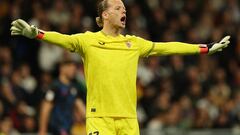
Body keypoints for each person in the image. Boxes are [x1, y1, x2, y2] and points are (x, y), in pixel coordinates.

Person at [10, 0, 230, 134]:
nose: (123, 10)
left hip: (129, 119)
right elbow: (63, 39)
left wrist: (204, 48)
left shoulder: (134, 43)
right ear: (105, 15)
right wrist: (36, 33)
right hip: (100, 118)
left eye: (124, 8)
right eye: (118, 7)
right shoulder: (88, 41)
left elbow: (167, 47)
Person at [39, 60, 85, 135]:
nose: (73, 70)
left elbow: (81, 107)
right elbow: (45, 110)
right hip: (56, 129)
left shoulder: (74, 88)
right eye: (70, 67)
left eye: (74, 68)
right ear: (62, 68)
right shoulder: (54, 87)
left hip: (69, 128)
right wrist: (42, 130)